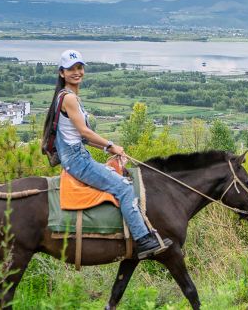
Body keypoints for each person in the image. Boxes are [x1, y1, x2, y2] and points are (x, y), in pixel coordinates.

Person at [42, 49, 172, 259]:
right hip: (78, 161)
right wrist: (112, 145)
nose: (77, 72)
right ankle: (142, 240)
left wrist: (106, 149)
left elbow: (80, 137)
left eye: (79, 68)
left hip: (77, 156)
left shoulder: (64, 96)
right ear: (62, 73)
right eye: (71, 69)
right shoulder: (70, 99)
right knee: (123, 187)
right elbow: (85, 132)